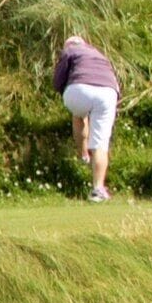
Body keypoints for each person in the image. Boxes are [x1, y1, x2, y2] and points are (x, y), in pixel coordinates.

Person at [53, 32, 121, 202]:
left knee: (78, 115)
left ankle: (83, 153)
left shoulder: (69, 51)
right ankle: (98, 189)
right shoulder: (98, 53)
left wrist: (63, 90)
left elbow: (58, 80)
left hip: (79, 89)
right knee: (100, 143)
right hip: (108, 92)